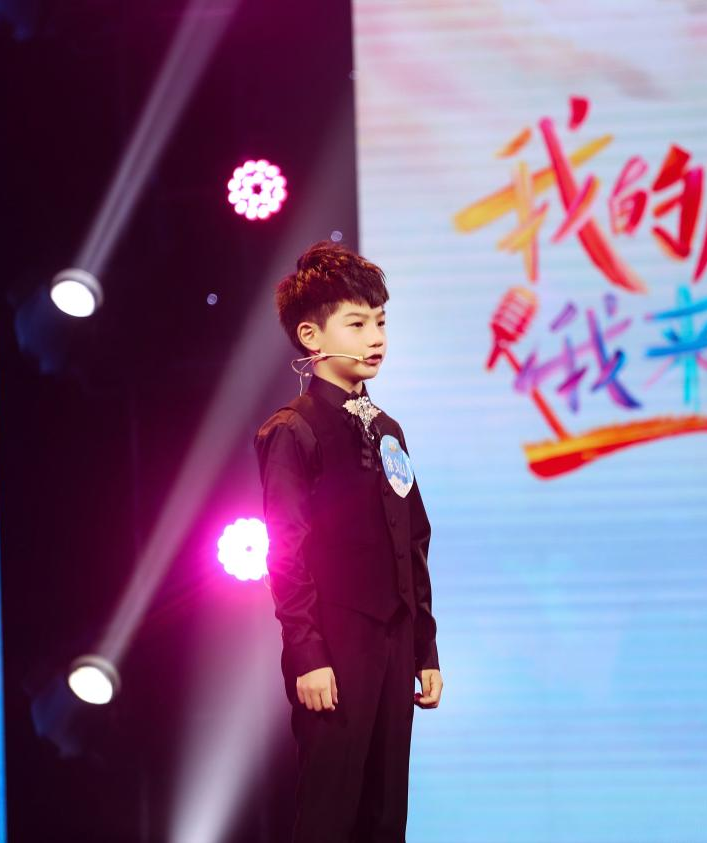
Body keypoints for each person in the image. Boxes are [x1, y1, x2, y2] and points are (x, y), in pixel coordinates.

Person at [253, 241, 443, 842]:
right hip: (334, 647)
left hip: (395, 642)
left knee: (386, 817)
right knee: (330, 814)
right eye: (357, 324)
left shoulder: (388, 429)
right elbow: (286, 552)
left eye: (380, 323)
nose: (375, 338)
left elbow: (414, 538)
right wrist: (309, 655)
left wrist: (425, 648)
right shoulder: (294, 430)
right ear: (311, 336)